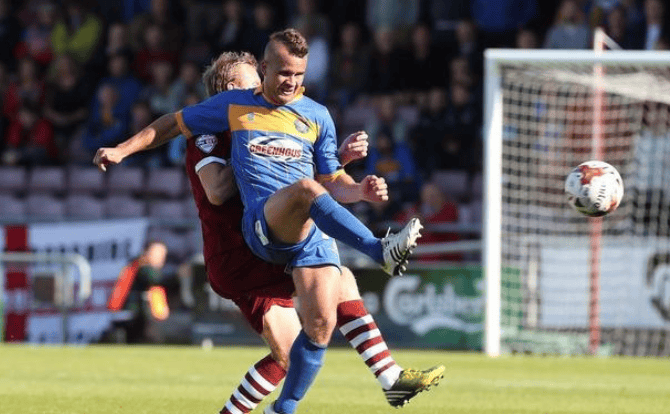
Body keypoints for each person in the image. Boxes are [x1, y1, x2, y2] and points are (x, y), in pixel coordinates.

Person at [93, 29, 426, 414]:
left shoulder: (295, 115)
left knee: (318, 315)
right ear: (229, 89)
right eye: (254, 78)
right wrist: (254, 144)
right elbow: (218, 190)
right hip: (237, 253)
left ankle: (387, 379)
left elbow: (301, 182)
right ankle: (379, 259)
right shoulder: (210, 133)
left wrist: (335, 161)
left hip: (274, 237)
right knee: (311, 317)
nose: (263, 85)